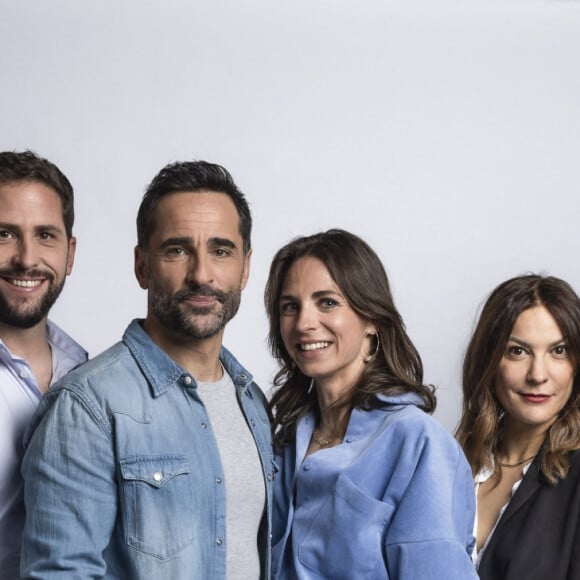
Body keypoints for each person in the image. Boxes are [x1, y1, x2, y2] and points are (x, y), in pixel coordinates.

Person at [21, 160, 274, 579]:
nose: (201, 274)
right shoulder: (87, 408)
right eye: (177, 250)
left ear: (245, 267)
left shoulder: (253, 402)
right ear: (142, 265)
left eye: (221, 250)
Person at [264, 229, 478, 579]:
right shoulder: (284, 442)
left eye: (327, 302)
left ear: (372, 320)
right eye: (290, 306)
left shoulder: (418, 443)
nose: (303, 323)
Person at [456, 274, 580, 579]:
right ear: (489, 359)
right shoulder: (455, 463)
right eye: (518, 351)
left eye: (558, 351)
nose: (538, 374)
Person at [0, 150, 87, 579]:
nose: (27, 258)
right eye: (4, 234)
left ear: (69, 253)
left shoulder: (86, 373)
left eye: (46, 236)